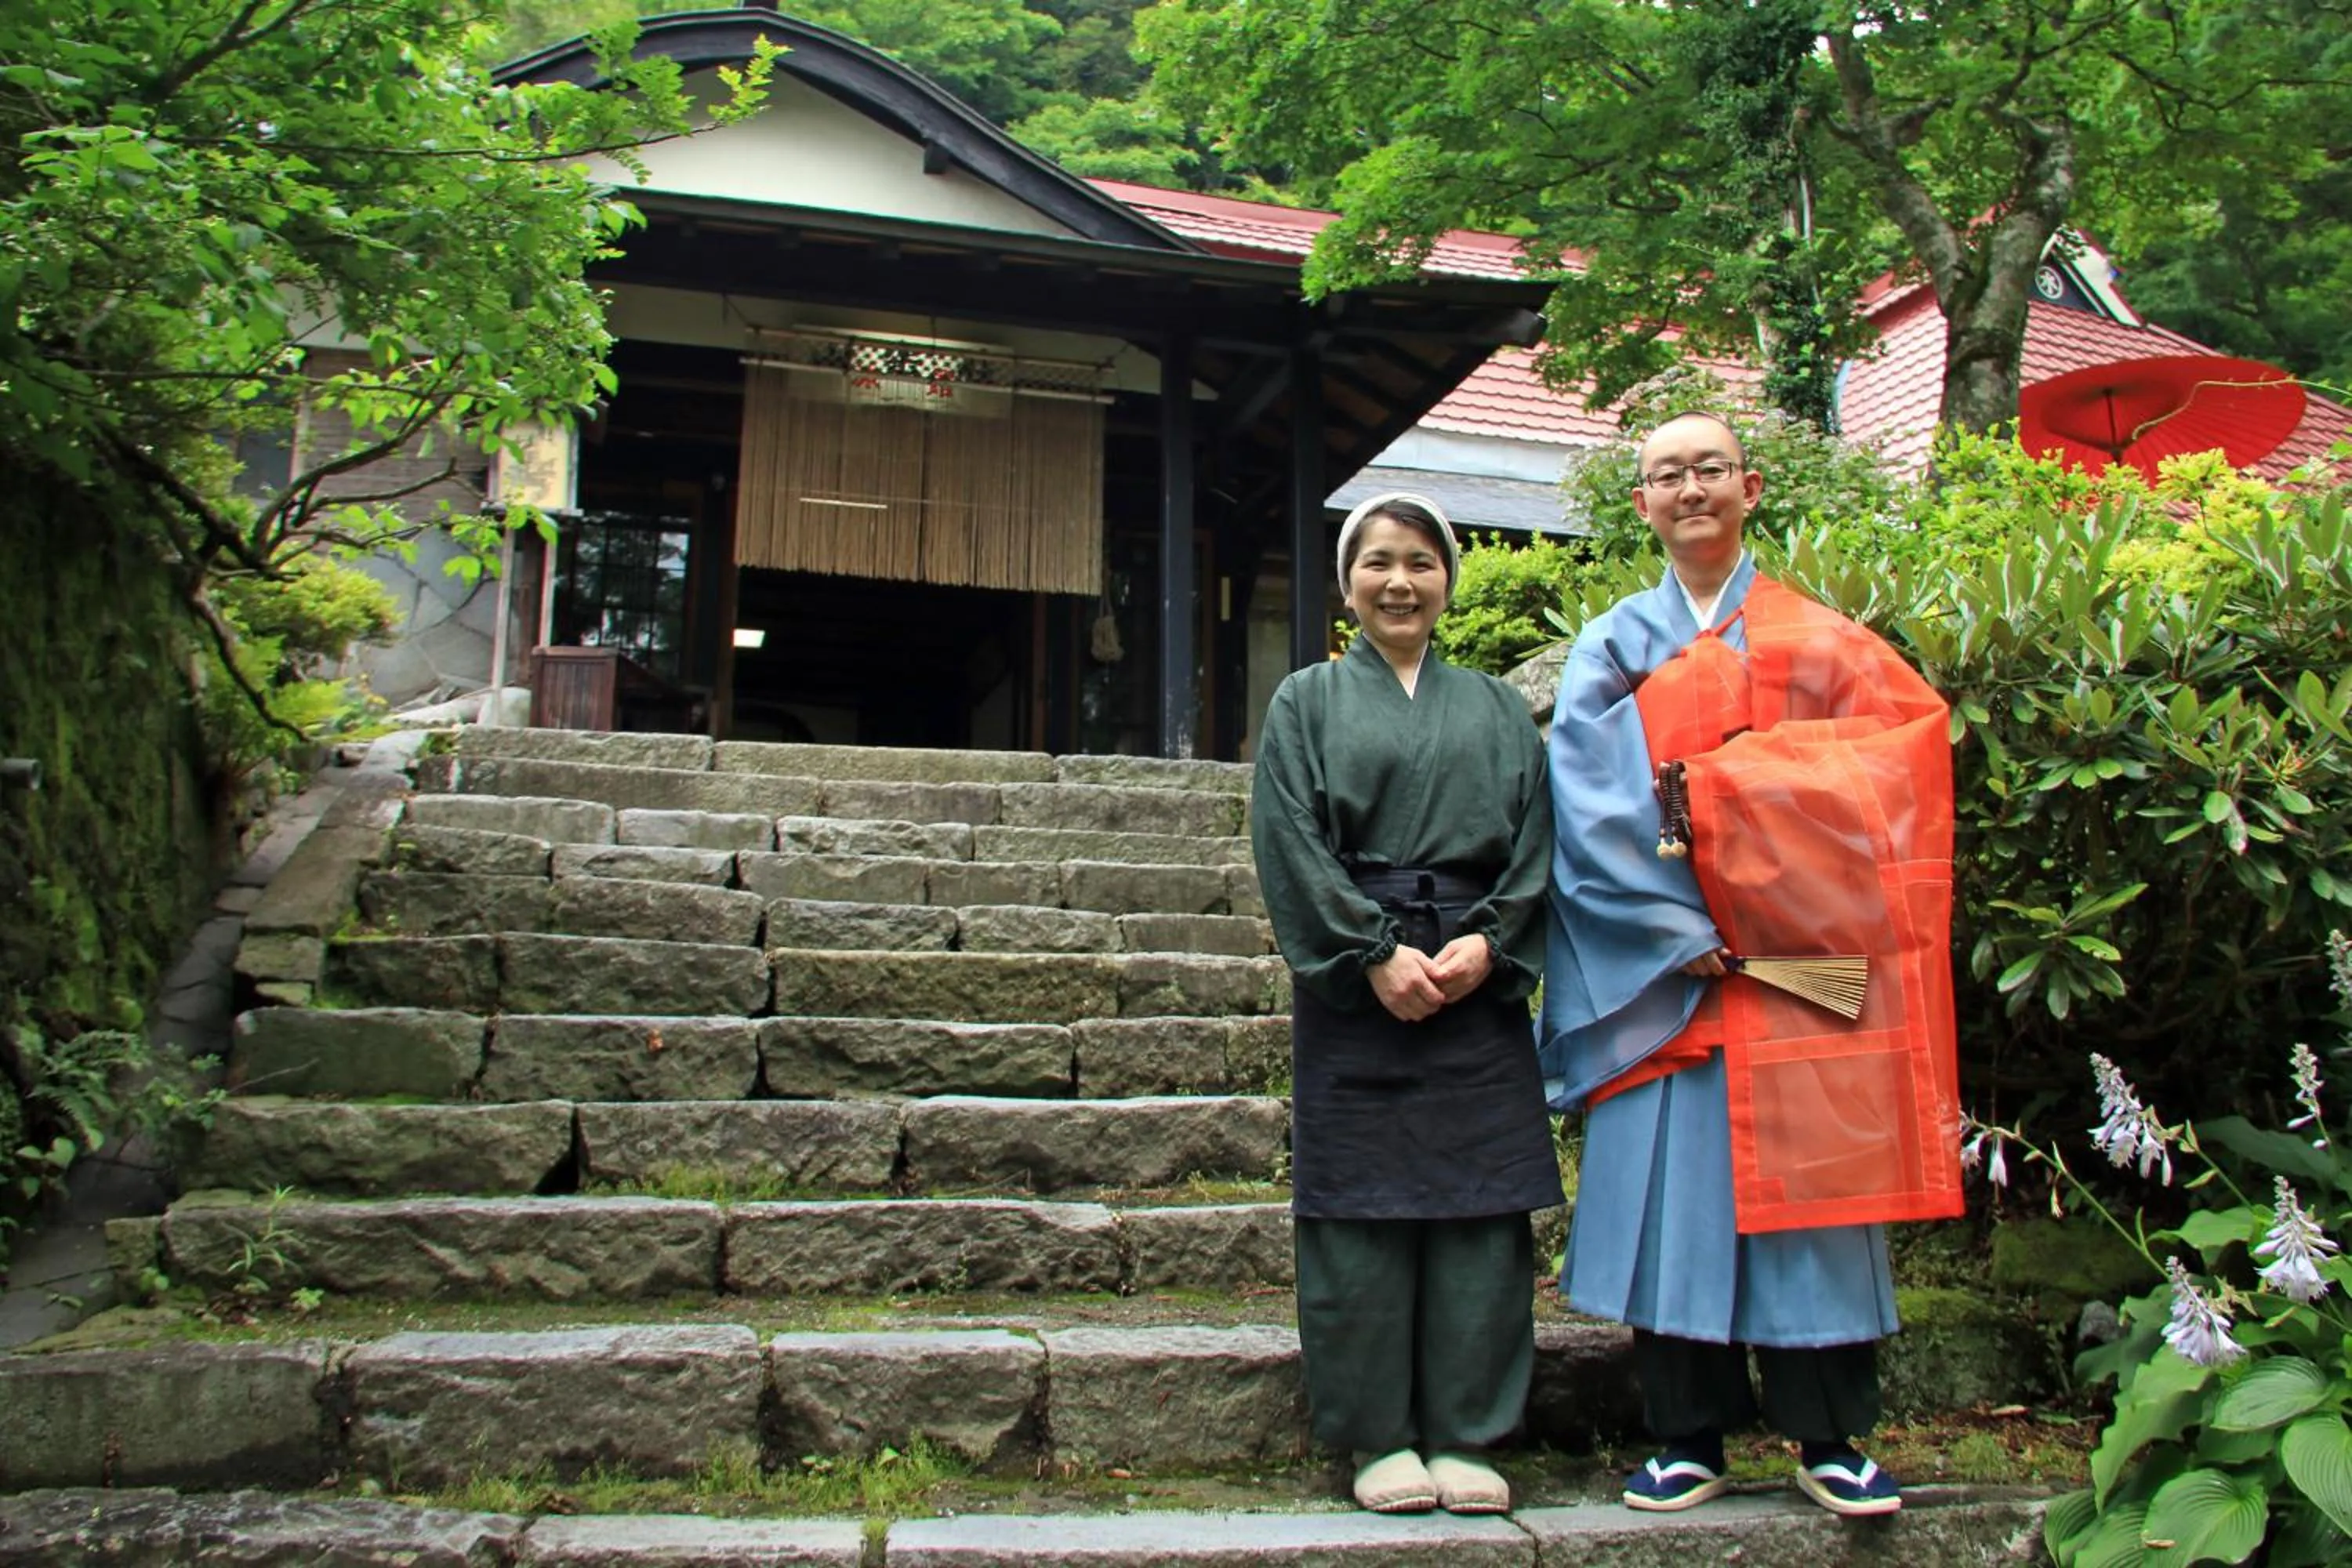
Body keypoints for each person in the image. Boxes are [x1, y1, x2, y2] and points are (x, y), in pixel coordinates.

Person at [1540, 412, 1961, 1519]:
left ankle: (1831, 1436)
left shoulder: (1827, 642)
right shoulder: (1614, 645)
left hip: (1797, 968)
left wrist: (1745, 801)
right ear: (1641, 503)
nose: (1690, 490)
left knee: (1818, 1208)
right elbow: (1588, 804)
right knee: (1672, 1202)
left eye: (1709, 470)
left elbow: (1900, 759)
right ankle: (1687, 1435)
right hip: (1674, 971)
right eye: (1666, 475)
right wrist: (1688, 926)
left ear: (1751, 487)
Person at [1251, 492, 1561, 1516]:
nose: (1400, 581)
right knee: (1360, 1211)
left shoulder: (1498, 709)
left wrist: (1492, 942)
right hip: (1358, 979)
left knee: (1481, 1207)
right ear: (1348, 585)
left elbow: (1538, 840)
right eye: (1378, 561)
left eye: (1422, 562)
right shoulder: (1306, 702)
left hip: (1476, 969)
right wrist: (1370, 954)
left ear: (1447, 583)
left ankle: (1470, 1431)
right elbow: (1289, 838)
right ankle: (1377, 1436)